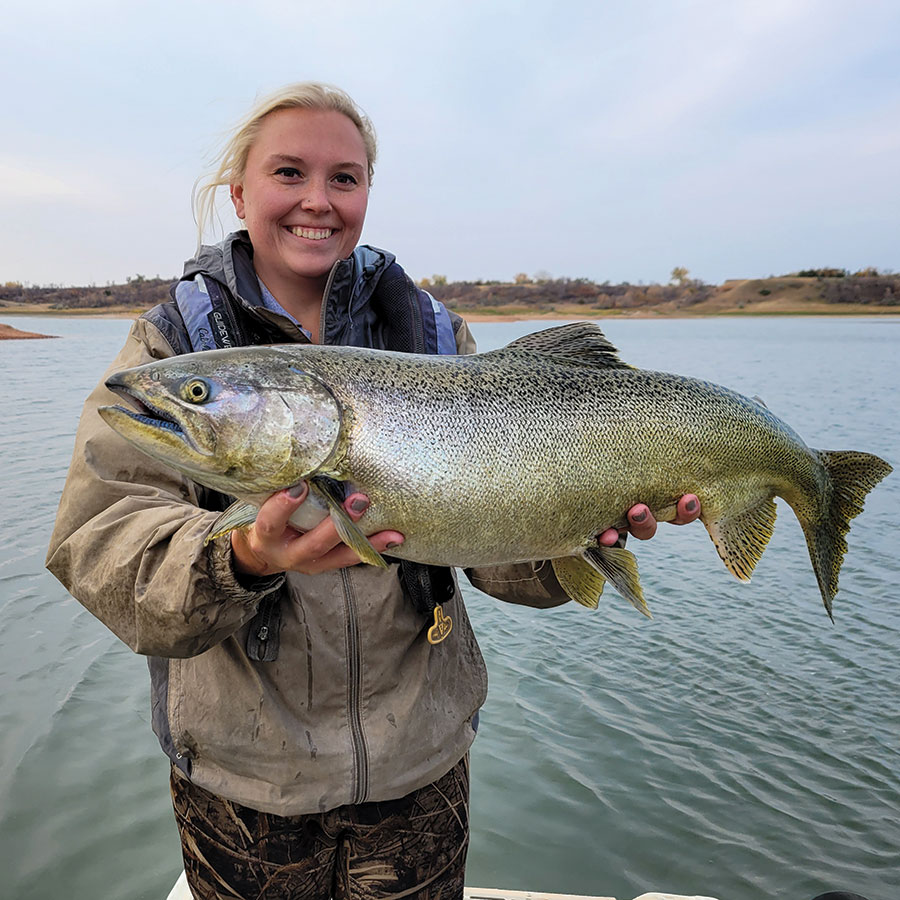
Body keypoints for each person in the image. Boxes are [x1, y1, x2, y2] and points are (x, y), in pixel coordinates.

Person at [46, 82, 701, 900]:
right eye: (289, 172)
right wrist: (241, 556)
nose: (317, 200)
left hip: (420, 772)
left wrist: (579, 527)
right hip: (244, 788)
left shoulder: (430, 335)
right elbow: (100, 545)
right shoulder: (170, 346)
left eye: (345, 178)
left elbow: (493, 558)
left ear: (366, 195)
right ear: (238, 192)